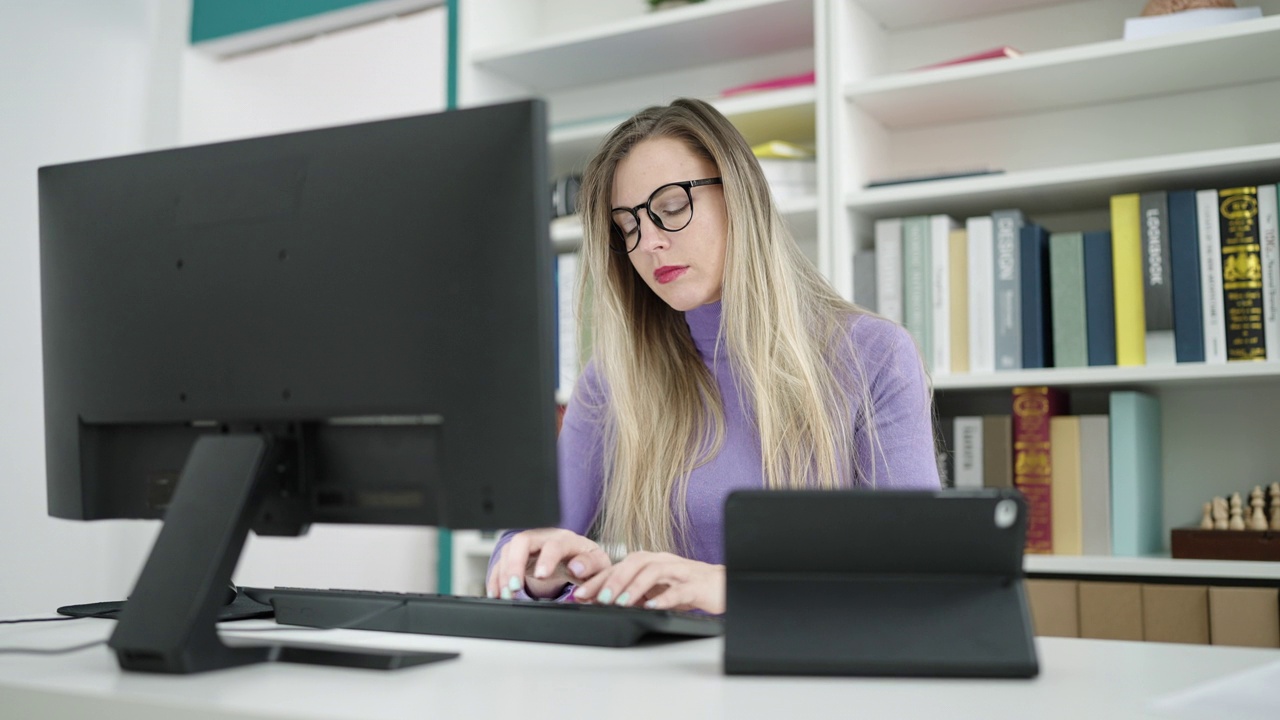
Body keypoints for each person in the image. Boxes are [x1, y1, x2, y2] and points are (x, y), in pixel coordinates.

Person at [486, 98, 939, 614]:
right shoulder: (614, 379)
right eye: (627, 226)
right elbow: (519, 547)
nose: (650, 242)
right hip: (674, 679)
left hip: (822, 678)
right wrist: (542, 569)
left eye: (672, 207)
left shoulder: (873, 356)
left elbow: (917, 575)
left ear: (740, 196)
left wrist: (734, 587)